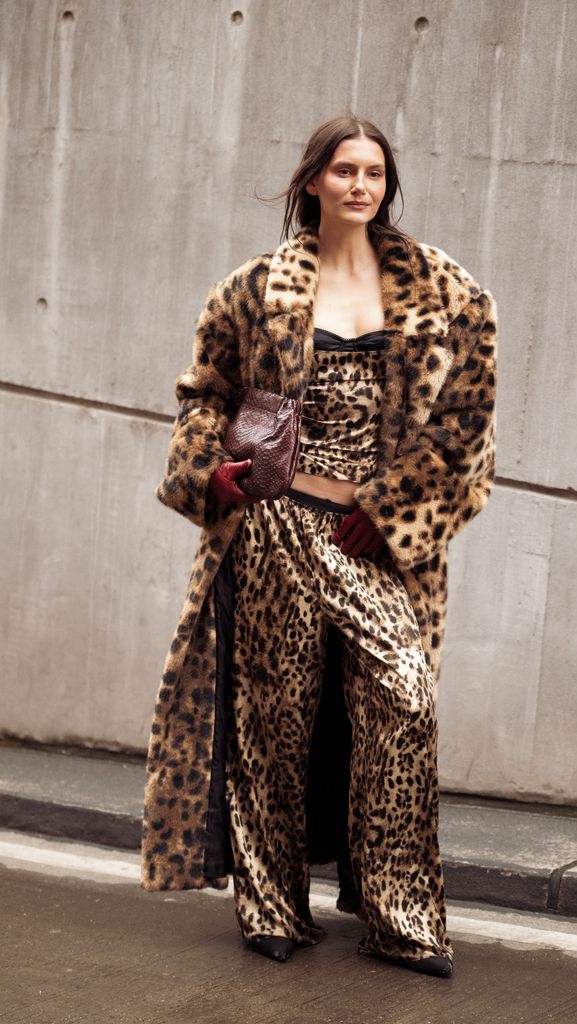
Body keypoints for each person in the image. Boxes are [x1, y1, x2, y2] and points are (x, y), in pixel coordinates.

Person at [140, 113, 498, 981]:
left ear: (387, 184)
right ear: (313, 182)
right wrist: (210, 472)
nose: (360, 185)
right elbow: (203, 394)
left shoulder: (449, 294)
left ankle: (403, 916)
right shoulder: (254, 288)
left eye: (374, 172)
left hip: (371, 538)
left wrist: (399, 507)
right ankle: (270, 905)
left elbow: (468, 427)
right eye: (344, 170)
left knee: (404, 703)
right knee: (273, 720)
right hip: (274, 526)